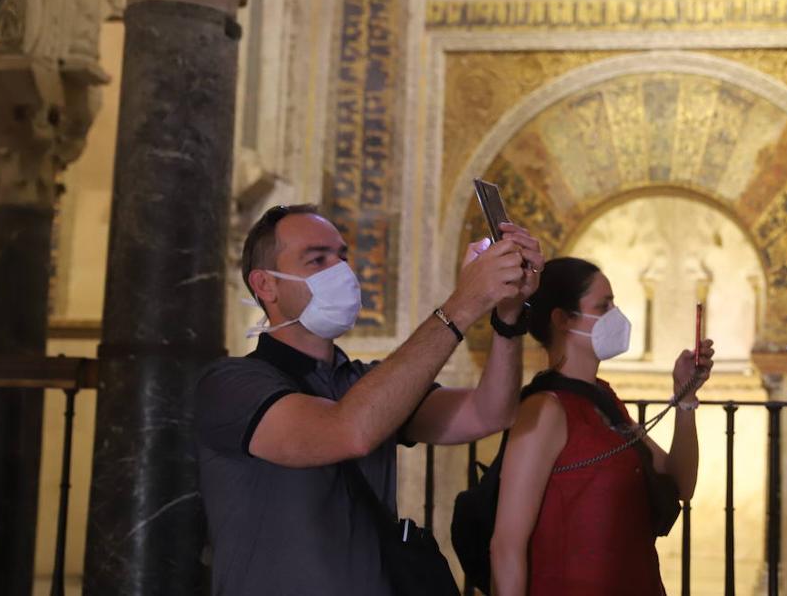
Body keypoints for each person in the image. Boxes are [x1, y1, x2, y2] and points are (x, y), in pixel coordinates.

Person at [195, 204, 543, 595]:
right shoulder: (232, 384)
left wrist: (508, 316)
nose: (341, 270)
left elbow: (488, 413)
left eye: (342, 256)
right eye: (317, 259)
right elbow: (348, 432)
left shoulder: (366, 381)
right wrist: (462, 305)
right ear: (265, 285)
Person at [489, 257, 715, 596]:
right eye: (603, 305)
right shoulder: (545, 409)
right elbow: (507, 545)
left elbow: (680, 482)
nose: (616, 316)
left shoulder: (603, 397)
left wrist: (685, 397)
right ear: (563, 320)